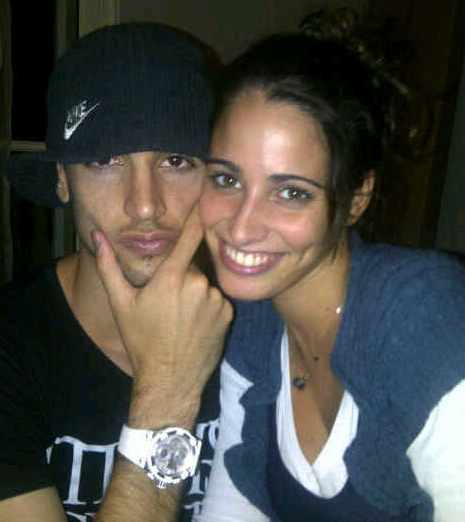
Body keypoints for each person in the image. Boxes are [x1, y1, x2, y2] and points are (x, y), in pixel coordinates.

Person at [194, 32, 465, 521]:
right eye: (227, 179)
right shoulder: (250, 322)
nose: (241, 227)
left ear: (356, 199)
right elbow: (234, 505)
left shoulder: (420, 315)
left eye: (291, 192)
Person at [0, 23, 232, 522]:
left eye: (176, 160)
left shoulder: (260, 325)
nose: (145, 205)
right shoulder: (10, 348)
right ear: (61, 179)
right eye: (106, 159)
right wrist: (166, 396)